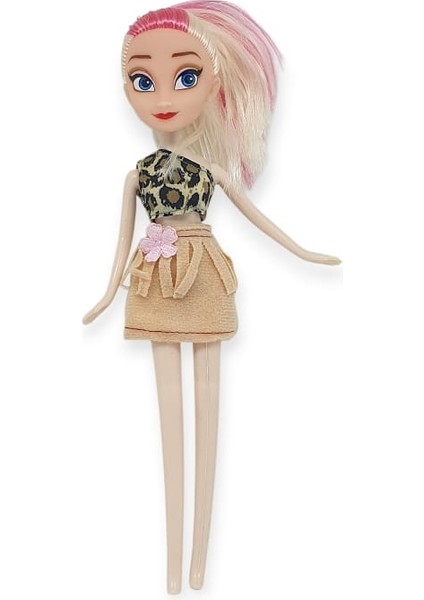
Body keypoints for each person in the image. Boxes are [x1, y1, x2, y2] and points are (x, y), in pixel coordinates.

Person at [83, 1, 341, 594]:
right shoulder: (137, 175)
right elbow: (120, 244)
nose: (161, 95)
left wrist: (304, 251)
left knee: (206, 412)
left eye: (186, 75)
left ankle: (197, 563)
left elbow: (260, 221)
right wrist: (105, 294)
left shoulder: (211, 171)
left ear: (215, 79)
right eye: (141, 80)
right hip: (154, 279)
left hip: (201, 277)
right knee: (170, 420)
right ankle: (174, 567)